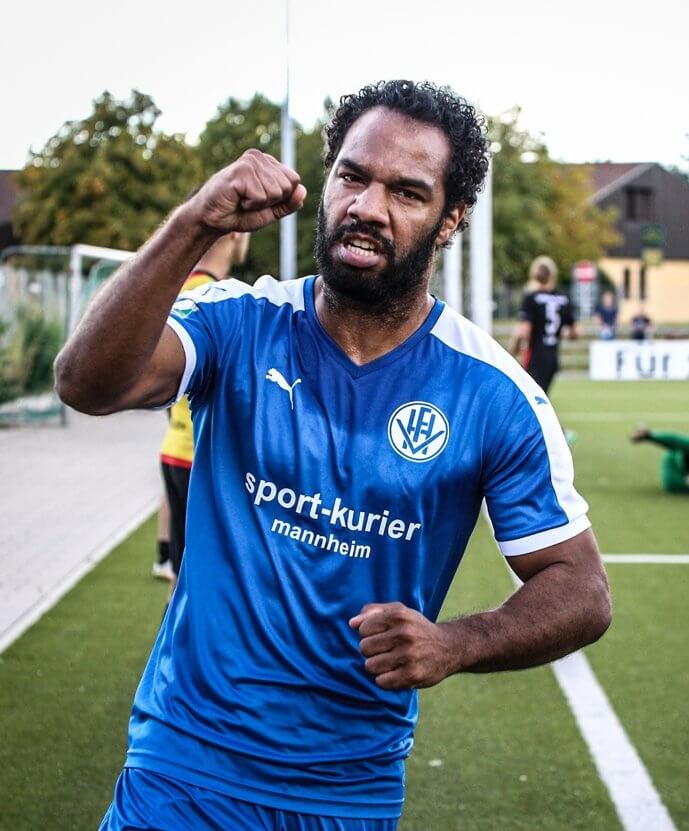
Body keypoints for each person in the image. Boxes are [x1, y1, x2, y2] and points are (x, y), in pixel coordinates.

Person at [55, 79, 610, 831]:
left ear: (451, 220)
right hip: (182, 767)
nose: (367, 207)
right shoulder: (240, 320)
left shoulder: (495, 395)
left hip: (347, 791)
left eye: (407, 192)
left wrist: (458, 642)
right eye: (353, 175)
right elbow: (86, 382)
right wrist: (193, 222)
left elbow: (581, 587)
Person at [155, 229, 250, 591]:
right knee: (200, 585)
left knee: (183, 579)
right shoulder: (212, 298)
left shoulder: (179, 288)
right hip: (202, 459)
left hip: (175, 448)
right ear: (236, 234)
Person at [510, 255, 580, 394]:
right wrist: (559, 334)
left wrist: (513, 350)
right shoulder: (563, 299)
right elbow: (576, 332)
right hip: (552, 358)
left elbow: (524, 332)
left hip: (535, 356)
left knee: (529, 399)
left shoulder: (532, 298)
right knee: (539, 397)